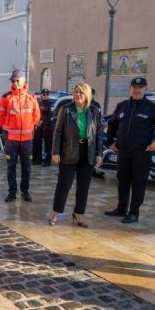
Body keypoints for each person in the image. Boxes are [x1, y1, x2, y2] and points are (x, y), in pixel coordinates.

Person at [104, 77, 155, 223]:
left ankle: (134, 212)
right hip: (123, 152)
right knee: (122, 181)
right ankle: (121, 208)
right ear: (130, 88)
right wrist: (110, 142)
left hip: (141, 153)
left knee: (138, 183)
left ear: (145, 89)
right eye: (134, 87)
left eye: (140, 87)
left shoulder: (153, 107)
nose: (137, 90)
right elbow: (112, 124)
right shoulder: (122, 106)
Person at [49, 83, 103, 227]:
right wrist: (55, 152)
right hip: (69, 151)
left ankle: (79, 214)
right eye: (76, 92)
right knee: (64, 184)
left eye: (81, 92)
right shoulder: (66, 110)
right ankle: (55, 212)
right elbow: (58, 132)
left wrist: (99, 153)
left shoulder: (94, 111)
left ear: (87, 95)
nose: (78, 94)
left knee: (83, 186)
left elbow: (99, 134)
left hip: (88, 152)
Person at [0, 69, 41, 203]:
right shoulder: (6, 97)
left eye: (17, 81)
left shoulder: (31, 97)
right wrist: (7, 126)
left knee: (27, 167)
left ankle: (25, 191)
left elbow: (36, 116)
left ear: (23, 81)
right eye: (13, 81)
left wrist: (29, 125)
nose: (15, 83)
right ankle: (12, 192)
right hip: (11, 141)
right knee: (11, 167)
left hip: (27, 140)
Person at [33, 88, 53, 166]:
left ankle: (47, 161)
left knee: (47, 145)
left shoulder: (50, 104)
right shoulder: (39, 103)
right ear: (41, 94)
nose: (45, 96)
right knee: (38, 143)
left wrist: (41, 121)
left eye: (47, 94)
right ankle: (38, 160)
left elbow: (50, 116)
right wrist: (36, 122)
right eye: (44, 94)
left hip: (47, 126)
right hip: (39, 126)